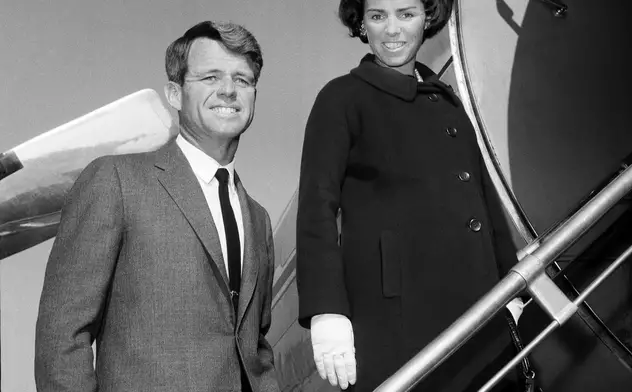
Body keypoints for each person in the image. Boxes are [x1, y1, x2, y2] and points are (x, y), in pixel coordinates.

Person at [35, 21, 279, 392]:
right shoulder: (115, 181)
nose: (228, 90)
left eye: (242, 80)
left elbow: (254, 344)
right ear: (175, 94)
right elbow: (63, 336)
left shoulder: (258, 219)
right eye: (210, 77)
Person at [296, 1, 526, 391]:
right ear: (362, 24)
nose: (392, 30)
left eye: (406, 14)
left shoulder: (449, 105)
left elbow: (484, 203)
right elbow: (316, 208)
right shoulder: (341, 98)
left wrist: (513, 285)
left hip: (481, 311)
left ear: (427, 18)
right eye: (377, 16)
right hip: (396, 318)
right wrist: (326, 311)